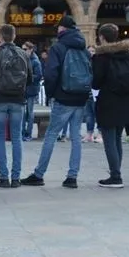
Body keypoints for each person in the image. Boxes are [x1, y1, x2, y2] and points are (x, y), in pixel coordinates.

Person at [21, 15, 91, 189]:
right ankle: (72, 177)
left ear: (62, 29)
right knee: (75, 137)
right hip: (81, 96)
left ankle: (39, 174)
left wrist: (52, 94)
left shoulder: (58, 48)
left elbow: (51, 73)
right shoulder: (84, 48)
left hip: (64, 96)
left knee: (51, 135)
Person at [91, 24, 129, 188]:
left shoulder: (102, 57)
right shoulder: (128, 54)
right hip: (126, 100)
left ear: (102, 37)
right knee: (117, 138)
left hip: (108, 101)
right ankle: (116, 172)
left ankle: (115, 176)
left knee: (109, 140)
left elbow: (96, 82)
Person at [0, 24, 28, 188]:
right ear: (14, 36)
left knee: (0, 138)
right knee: (17, 138)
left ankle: (3, 177)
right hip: (18, 100)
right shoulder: (23, 53)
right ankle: (16, 178)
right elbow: (30, 78)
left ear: (0, 37)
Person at [21, 42, 42, 141]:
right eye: (22, 49)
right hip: (24, 89)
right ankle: (23, 132)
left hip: (31, 89)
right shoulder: (25, 59)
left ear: (31, 49)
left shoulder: (35, 61)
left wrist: (26, 77)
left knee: (30, 112)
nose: (23, 51)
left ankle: (28, 133)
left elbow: (38, 76)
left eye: (25, 49)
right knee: (23, 112)